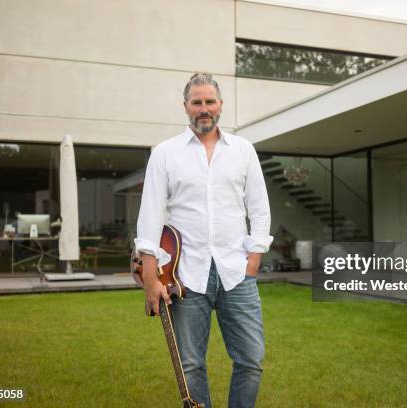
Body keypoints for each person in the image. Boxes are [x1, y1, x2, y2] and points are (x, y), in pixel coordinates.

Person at [135, 73, 273, 408]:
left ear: (220, 105)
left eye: (209, 101)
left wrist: (253, 258)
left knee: (251, 360)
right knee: (192, 366)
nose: (204, 108)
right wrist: (151, 278)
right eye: (196, 102)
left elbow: (259, 207)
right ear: (186, 107)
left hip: (236, 272)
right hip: (186, 275)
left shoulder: (243, 150)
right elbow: (151, 215)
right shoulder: (165, 153)